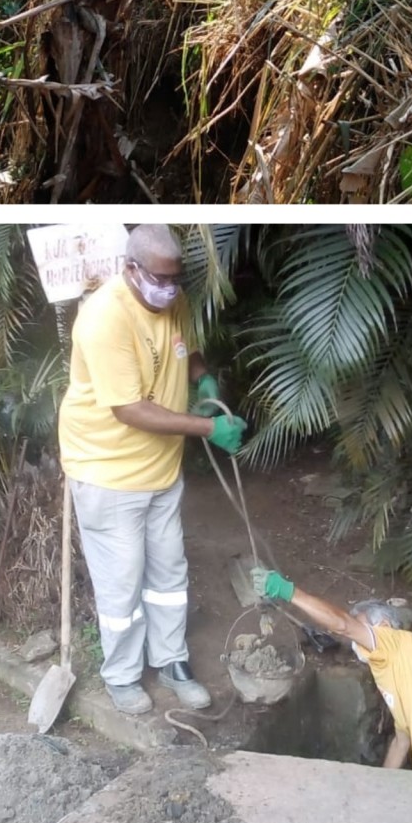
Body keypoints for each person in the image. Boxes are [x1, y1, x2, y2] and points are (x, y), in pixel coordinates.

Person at [58, 224, 246, 716]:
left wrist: (203, 380)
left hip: (161, 470)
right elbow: (130, 409)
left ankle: (171, 660)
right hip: (108, 472)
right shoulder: (105, 319)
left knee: (168, 572)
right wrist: (207, 429)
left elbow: (186, 348)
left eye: (176, 279)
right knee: (122, 581)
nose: (169, 289)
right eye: (160, 279)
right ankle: (122, 676)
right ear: (131, 269)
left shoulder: (171, 299)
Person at [252, 567, 412, 780]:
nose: (353, 641)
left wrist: (288, 591)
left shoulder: (396, 642)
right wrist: (380, 786)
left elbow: (342, 624)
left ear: (383, 626)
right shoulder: (405, 670)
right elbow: (401, 742)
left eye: (360, 627)